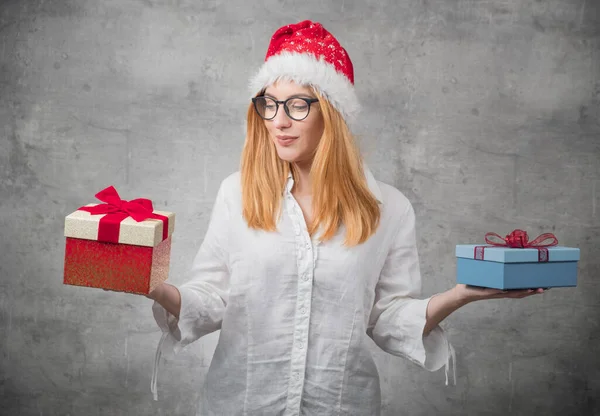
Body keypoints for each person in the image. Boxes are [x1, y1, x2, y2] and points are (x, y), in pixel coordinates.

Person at [147, 20, 544, 416]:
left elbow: (388, 318)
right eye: (269, 103)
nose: (279, 121)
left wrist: (462, 295)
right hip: (240, 405)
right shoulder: (236, 194)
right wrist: (151, 285)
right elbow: (213, 299)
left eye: (298, 105)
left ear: (332, 113)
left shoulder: (388, 209)